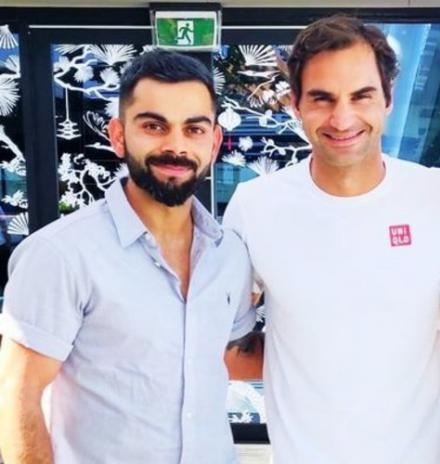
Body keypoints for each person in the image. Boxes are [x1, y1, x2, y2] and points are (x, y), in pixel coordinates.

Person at [223, 15, 440, 464]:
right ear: (296, 104)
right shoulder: (254, 206)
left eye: (361, 96)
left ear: (388, 99)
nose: (342, 119)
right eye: (322, 98)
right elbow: (227, 346)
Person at [0, 49, 255, 464]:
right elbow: (16, 395)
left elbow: (231, 356)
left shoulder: (230, 255)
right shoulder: (61, 254)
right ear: (118, 136)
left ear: (213, 143)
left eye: (193, 129)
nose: (175, 146)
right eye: (154, 126)